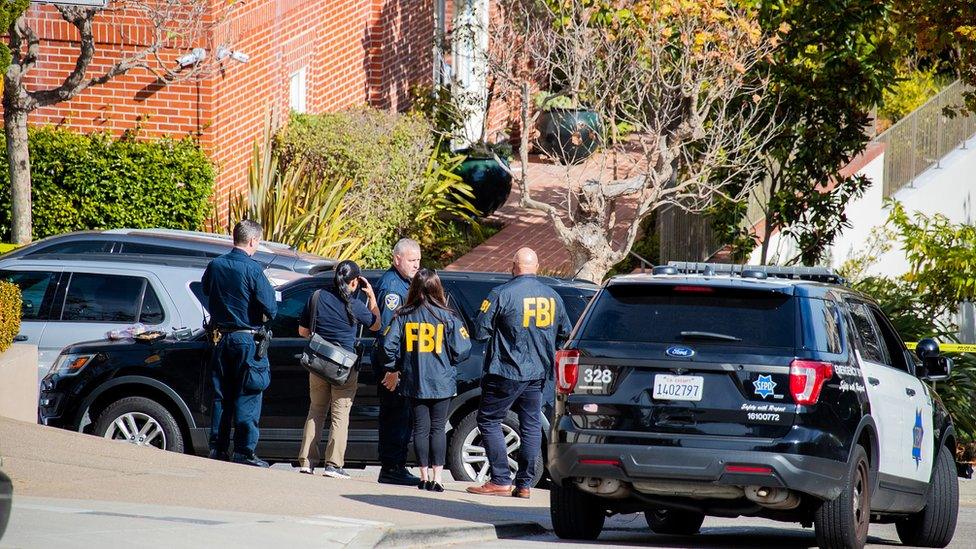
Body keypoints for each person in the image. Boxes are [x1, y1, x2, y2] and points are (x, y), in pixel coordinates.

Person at [466, 247, 572, 498]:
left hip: (505, 370)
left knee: (489, 420)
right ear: (537, 267)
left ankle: (501, 479)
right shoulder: (553, 296)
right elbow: (565, 333)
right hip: (538, 372)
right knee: (531, 425)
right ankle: (524, 484)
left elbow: (480, 331)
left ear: (513, 266)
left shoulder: (501, 293)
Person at [381, 269, 471, 492]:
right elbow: (463, 349)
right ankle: (437, 478)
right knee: (438, 429)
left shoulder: (403, 315)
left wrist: (396, 366)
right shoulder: (447, 316)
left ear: (414, 289)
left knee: (420, 429)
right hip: (442, 381)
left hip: (414, 381)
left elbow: (387, 346)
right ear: (437, 288)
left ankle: (422, 477)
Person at [202, 220, 278, 467]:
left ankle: (218, 448)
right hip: (247, 339)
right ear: (253, 241)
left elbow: (205, 290)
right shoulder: (253, 270)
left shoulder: (215, 265)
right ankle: (244, 451)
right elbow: (271, 308)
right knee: (248, 394)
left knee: (221, 396)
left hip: (221, 338)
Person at [296, 260, 380, 478]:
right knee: (340, 415)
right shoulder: (355, 305)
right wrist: (371, 296)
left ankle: (307, 461)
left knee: (316, 410)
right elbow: (376, 325)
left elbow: (303, 331)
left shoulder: (317, 296)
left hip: (318, 363)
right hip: (344, 368)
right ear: (354, 282)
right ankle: (333, 465)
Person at [373, 238, 423, 485]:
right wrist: (391, 368)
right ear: (397, 259)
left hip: (404, 362)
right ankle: (392, 467)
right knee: (395, 415)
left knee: (403, 416)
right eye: (412, 260)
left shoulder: (408, 283)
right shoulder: (392, 288)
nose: (416, 265)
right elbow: (386, 332)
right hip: (392, 364)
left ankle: (397, 464)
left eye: (418, 260)